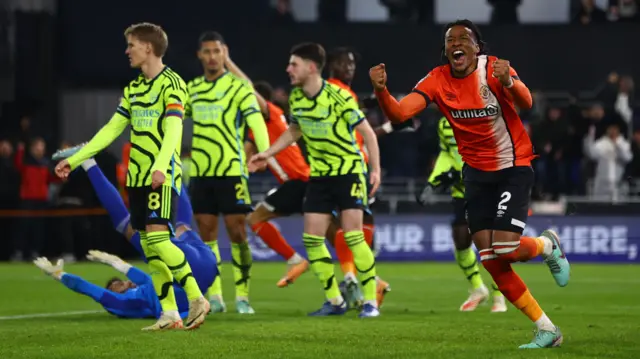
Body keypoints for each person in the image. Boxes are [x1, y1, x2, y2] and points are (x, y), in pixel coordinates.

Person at [370, 19, 570, 347]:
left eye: (464, 38)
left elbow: (527, 103)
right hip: (475, 175)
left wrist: (510, 82)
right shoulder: (436, 80)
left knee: (506, 248)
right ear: (445, 49)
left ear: (477, 47)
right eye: (451, 40)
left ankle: (547, 245)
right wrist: (381, 91)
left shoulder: (493, 70)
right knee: (491, 259)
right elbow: (400, 115)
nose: (456, 43)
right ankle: (547, 328)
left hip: (512, 166)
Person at [53, 22, 208, 331]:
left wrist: (162, 165)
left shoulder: (173, 84)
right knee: (151, 248)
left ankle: (195, 297)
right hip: (137, 178)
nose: (127, 51)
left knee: (159, 240)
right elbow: (112, 129)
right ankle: (169, 314)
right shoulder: (134, 88)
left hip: (159, 175)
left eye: (131, 45)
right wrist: (78, 157)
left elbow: (175, 128)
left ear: (148, 48)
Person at [249, 42, 382, 318]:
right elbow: (294, 131)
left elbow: (368, 133)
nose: (288, 69)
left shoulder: (339, 97)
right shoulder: (297, 98)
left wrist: (375, 170)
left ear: (311, 67)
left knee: (354, 237)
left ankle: (369, 301)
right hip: (320, 176)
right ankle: (335, 301)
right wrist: (267, 153)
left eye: (293, 64)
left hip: (348, 172)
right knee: (311, 239)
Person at [185, 31, 269, 315]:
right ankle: (216, 295)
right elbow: (171, 120)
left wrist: (265, 152)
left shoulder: (238, 87)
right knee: (207, 234)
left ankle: (243, 296)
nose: (211, 56)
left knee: (237, 232)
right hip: (201, 173)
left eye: (216, 51)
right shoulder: (191, 89)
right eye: (206, 51)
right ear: (199, 55)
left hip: (232, 171)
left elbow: (257, 120)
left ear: (225, 53)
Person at [416, 117, 506, 313]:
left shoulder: (482, 120)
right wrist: (432, 182)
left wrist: (460, 173)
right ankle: (477, 288)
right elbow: (447, 154)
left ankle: (500, 295)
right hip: (462, 192)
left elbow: (490, 153)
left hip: (486, 188)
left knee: (490, 243)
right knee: (461, 238)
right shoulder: (443, 124)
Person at [326, 47, 390, 308]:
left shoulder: (346, 93)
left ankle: (358, 279)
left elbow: (360, 133)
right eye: (344, 62)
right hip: (341, 168)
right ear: (330, 64)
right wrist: (388, 126)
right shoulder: (333, 90)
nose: (350, 67)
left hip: (352, 168)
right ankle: (364, 281)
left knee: (349, 226)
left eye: (352, 63)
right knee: (345, 227)